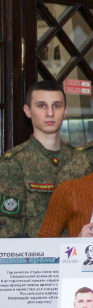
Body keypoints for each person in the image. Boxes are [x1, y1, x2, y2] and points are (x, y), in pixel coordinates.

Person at [0, 80, 77, 238]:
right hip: (34, 253)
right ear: (27, 111)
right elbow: (9, 230)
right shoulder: (15, 162)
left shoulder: (80, 160)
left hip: (74, 251)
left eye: (56, 106)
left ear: (65, 111)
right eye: (42, 106)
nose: (50, 113)